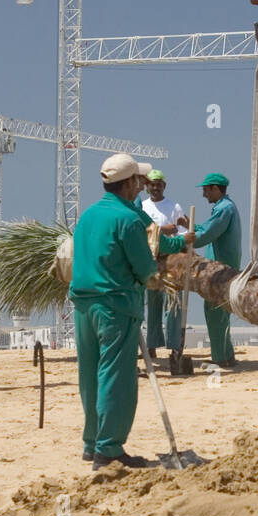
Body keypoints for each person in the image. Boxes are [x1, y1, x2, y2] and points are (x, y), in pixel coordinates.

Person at [70, 153, 184, 469]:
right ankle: (109, 449)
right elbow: (144, 265)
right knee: (116, 377)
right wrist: (157, 280)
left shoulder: (89, 216)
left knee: (90, 375)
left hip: (83, 305)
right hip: (115, 306)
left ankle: (92, 443)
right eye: (140, 180)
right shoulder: (128, 219)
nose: (143, 186)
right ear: (131, 183)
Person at [183, 173, 241, 367]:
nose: (204, 194)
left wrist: (184, 240)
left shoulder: (224, 209)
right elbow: (210, 229)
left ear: (216, 189)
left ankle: (220, 358)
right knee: (222, 312)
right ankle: (227, 354)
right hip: (225, 267)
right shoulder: (225, 208)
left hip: (220, 269)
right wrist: (190, 226)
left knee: (215, 311)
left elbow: (208, 233)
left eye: (206, 190)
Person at [136, 169, 189, 359]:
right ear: (147, 186)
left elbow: (183, 235)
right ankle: (151, 345)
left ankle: (175, 346)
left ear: (164, 186)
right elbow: (143, 232)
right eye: (152, 184)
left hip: (171, 261)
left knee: (174, 304)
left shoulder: (174, 207)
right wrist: (164, 230)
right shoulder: (142, 207)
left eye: (159, 184)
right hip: (151, 261)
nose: (155, 187)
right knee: (153, 304)